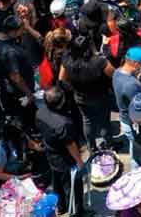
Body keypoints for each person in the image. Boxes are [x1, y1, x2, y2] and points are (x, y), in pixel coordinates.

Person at [36, 85, 86, 217]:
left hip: (50, 154)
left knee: (57, 182)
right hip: (65, 159)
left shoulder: (40, 112)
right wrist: (79, 161)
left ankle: (60, 206)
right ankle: (76, 212)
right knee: (73, 186)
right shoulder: (63, 123)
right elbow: (70, 145)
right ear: (61, 103)